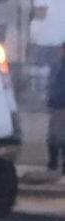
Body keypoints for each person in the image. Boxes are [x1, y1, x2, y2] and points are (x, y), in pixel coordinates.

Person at [48, 42, 65, 173]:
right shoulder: (57, 65)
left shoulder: (57, 65)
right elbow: (52, 83)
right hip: (57, 104)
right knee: (53, 135)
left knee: (58, 135)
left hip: (60, 104)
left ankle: (56, 163)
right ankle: (53, 162)